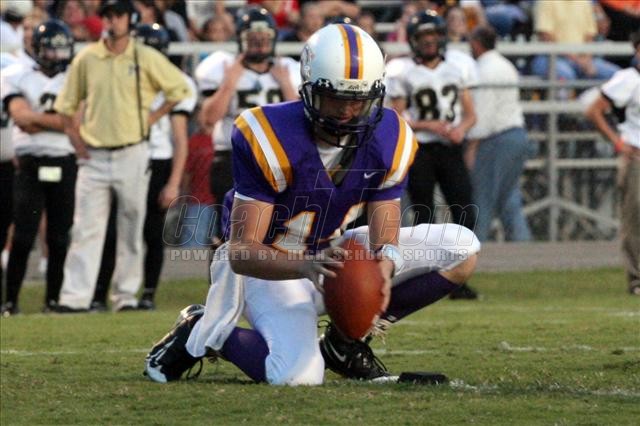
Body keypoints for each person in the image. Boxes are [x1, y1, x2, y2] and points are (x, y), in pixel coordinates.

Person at [144, 23, 480, 385]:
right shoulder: (269, 134)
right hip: (272, 265)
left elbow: (385, 233)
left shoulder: (390, 134)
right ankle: (206, 330)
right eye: (336, 98)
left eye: (358, 99)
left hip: (332, 252)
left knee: (462, 248)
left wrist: (384, 268)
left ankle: (343, 344)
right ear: (309, 89)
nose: (348, 111)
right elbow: (241, 252)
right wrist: (305, 265)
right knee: (298, 378)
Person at [53, 0, 190, 312]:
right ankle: (74, 298)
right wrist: (77, 142)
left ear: (130, 19)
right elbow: (66, 106)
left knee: (131, 227)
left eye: (118, 16)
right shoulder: (87, 57)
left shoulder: (145, 57)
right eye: (108, 16)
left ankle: (125, 296)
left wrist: (150, 118)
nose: (112, 22)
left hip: (132, 151)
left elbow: (179, 89)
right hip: (94, 155)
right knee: (85, 228)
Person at [91, 23, 197, 311]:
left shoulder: (176, 82)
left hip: (156, 160)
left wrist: (173, 182)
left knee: (151, 231)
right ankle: (100, 294)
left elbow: (180, 138)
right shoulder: (119, 74)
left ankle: (147, 293)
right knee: (113, 231)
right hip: (122, 155)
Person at [385, 10, 478, 299]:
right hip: (420, 149)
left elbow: (470, 114)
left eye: (433, 35)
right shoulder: (403, 70)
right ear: (414, 40)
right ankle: (426, 275)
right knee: (424, 213)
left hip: (450, 148)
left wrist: (461, 128)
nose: (429, 41)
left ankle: (459, 275)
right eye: (423, 36)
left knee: (464, 207)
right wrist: (429, 126)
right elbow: (398, 116)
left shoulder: (457, 66)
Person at [196, 6, 300, 248]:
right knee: (228, 232)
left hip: (278, 158)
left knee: (275, 231)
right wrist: (229, 82)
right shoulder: (223, 67)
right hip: (233, 156)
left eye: (264, 38)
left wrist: (285, 84)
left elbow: (300, 121)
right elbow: (208, 120)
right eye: (253, 38)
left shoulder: (288, 69)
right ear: (241, 39)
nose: (259, 44)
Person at [0, 20, 77, 316]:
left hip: (65, 161)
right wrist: (60, 122)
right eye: (51, 49)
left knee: (59, 237)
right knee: (22, 235)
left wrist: (39, 120)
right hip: (29, 163)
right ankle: (11, 302)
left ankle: (53, 301)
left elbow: (76, 122)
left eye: (61, 49)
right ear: (37, 48)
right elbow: (20, 117)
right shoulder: (16, 74)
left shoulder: (75, 76)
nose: (57, 55)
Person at [586, 32, 640, 296]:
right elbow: (594, 110)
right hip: (636, 156)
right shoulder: (628, 79)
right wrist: (617, 142)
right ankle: (637, 278)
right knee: (635, 219)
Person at [466, 26, 531, 242]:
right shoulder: (505, 64)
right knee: (508, 197)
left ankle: (475, 246)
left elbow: (483, 114)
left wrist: (472, 148)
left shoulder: (484, 70)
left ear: (477, 44)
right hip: (516, 134)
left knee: (482, 197)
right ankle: (523, 246)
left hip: (496, 139)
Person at [530, 0, 620, 82]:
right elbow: (547, 37)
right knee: (566, 75)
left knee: (617, 76)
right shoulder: (546, 2)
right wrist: (577, 60)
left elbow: (590, 35)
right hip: (551, 58)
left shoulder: (584, 2)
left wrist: (586, 59)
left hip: (582, 58)